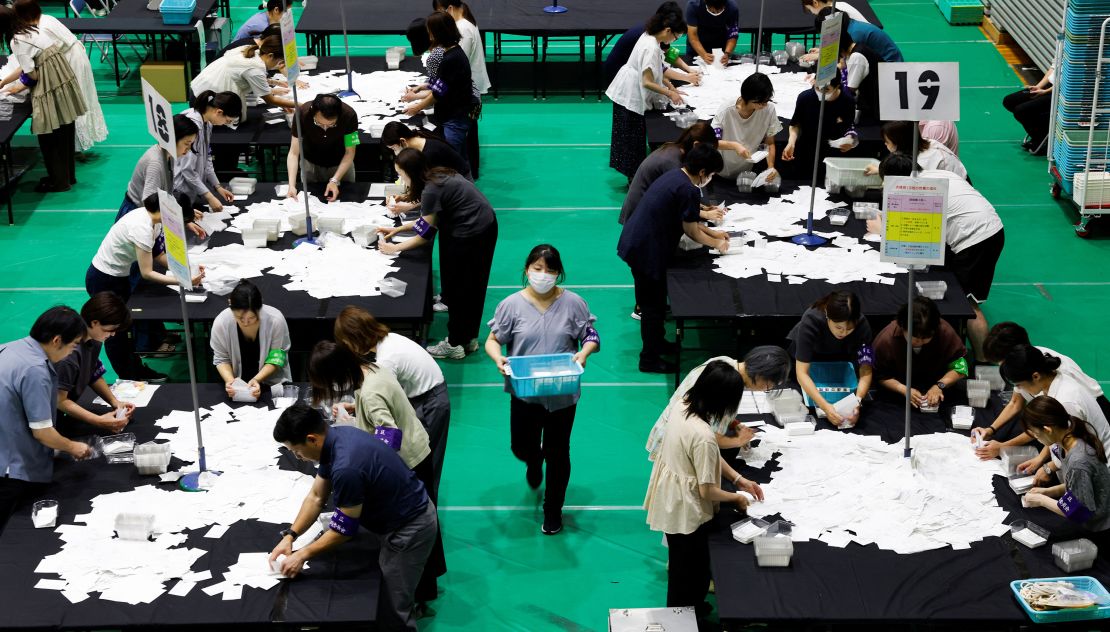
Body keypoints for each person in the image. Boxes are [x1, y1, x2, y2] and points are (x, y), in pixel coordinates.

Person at [269, 404, 437, 632]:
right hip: (398, 514)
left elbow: (343, 530)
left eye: (296, 451)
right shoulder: (337, 437)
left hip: (408, 529)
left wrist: (301, 555)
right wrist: (290, 535)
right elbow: (317, 496)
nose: (298, 457)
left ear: (312, 439)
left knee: (393, 604)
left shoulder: (346, 466)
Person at [307, 341, 446, 602]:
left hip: (410, 459)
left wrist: (365, 463)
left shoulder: (370, 393)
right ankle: (426, 587)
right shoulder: (371, 369)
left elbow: (389, 436)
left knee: (419, 533)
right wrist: (356, 411)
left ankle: (421, 593)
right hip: (417, 445)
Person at [484, 245, 601, 534]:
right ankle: (533, 460)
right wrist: (497, 357)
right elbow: (492, 340)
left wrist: (584, 353)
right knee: (521, 446)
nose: (543, 275)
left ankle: (553, 510)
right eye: (537, 269)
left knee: (558, 453)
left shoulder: (574, 303)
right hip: (525, 393)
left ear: (559, 273)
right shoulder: (511, 305)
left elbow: (591, 335)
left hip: (562, 394)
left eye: (550, 270)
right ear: (527, 270)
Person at [644, 360, 764, 621]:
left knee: (689, 567)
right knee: (685, 572)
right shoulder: (704, 436)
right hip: (686, 508)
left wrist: (738, 478)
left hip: (671, 496)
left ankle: (694, 608)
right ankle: (681, 619)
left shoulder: (684, 406)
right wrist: (737, 498)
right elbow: (707, 490)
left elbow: (705, 457)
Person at [876, 153, 1004, 361]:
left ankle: (983, 361)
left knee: (967, 303)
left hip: (974, 239)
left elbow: (914, 237)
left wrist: (881, 229)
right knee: (967, 297)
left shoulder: (916, 191)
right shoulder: (938, 174)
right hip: (993, 228)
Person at [617, 144, 728, 373]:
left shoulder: (676, 176)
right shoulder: (688, 189)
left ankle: (658, 344)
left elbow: (690, 218)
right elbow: (691, 230)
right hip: (646, 251)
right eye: (712, 174)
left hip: (638, 243)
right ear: (702, 171)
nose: (710, 178)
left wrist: (715, 234)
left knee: (654, 304)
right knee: (653, 307)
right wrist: (717, 244)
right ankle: (649, 359)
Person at [378, 149, 498, 360]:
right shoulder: (437, 174)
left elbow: (425, 235)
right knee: (469, 287)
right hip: (481, 224)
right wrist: (398, 230)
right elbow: (428, 219)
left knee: (464, 289)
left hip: (473, 231)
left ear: (411, 172)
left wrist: (393, 248)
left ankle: (454, 343)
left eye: (401, 174)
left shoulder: (431, 190)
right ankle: (467, 338)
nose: (400, 179)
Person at [333, 306, 451, 506]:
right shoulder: (390, 339)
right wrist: (356, 405)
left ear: (357, 338)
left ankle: (427, 513)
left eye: (347, 343)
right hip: (422, 397)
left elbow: (387, 423)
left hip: (430, 403)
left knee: (424, 464)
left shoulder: (387, 359)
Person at [86, 193, 205, 379]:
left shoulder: (153, 221)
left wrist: (186, 270)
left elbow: (158, 255)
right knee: (114, 333)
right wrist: (183, 280)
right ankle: (130, 377)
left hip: (118, 277)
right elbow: (147, 272)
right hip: (104, 279)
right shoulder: (141, 227)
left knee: (124, 328)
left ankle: (135, 368)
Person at [0, 306, 92, 534]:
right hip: (10, 468)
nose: (72, 352)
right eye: (72, 346)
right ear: (56, 340)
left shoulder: (10, 348)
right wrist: (73, 447)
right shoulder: (35, 370)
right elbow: (42, 432)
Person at [973, 346, 1110, 468]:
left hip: (1097, 466)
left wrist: (1048, 469)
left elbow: (1076, 450)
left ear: (1036, 376)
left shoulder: (1066, 402)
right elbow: (1052, 434)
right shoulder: (1049, 383)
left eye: (1019, 385)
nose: (1018, 389)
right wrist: (1042, 460)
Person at [647, 346, 791, 458]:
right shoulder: (729, 385)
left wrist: (734, 423)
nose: (767, 388)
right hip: (677, 443)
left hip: (672, 427)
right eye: (769, 385)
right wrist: (738, 441)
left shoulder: (725, 362)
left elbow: (707, 409)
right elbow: (710, 438)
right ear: (760, 375)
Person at [0, 6, 85, 193]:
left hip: (49, 82)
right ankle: (67, 176)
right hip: (60, 76)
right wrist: (5, 81)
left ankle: (58, 182)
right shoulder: (29, 30)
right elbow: (26, 65)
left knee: (48, 132)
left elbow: (32, 75)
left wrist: (18, 86)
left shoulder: (16, 41)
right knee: (64, 129)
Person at [8, 0, 106, 153]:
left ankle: (77, 146)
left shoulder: (39, 29)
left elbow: (29, 66)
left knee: (72, 102)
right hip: (75, 55)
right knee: (82, 99)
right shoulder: (46, 18)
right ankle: (78, 144)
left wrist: (15, 83)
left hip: (70, 61)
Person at [606, 10, 687, 180]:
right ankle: (635, 180)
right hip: (631, 94)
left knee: (630, 140)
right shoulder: (651, 47)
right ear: (667, 30)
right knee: (632, 142)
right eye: (676, 37)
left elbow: (658, 68)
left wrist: (670, 86)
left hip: (628, 89)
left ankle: (634, 177)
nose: (674, 41)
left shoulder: (649, 36)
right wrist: (670, 94)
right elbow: (647, 82)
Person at [402, 16, 483, 177]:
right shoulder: (451, 53)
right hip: (454, 114)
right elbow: (440, 86)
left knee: (452, 160)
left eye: (431, 31)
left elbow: (438, 93)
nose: (429, 35)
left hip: (457, 117)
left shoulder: (450, 59)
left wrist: (417, 107)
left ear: (438, 33)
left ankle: (461, 193)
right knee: (460, 158)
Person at [1021, 396, 1110, 535]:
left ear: (1048, 429)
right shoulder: (1067, 442)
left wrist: (1042, 500)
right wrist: (1048, 491)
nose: (1037, 439)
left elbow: (1080, 512)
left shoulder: (1078, 461)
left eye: (1037, 435)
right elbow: (1079, 486)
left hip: (1100, 528)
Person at [983, 321, 1108, 418]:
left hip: (1095, 414)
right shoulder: (1023, 363)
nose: (1000, 366)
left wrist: (1001, 445)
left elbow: (1051, 432)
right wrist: (990, 430)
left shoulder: (1059, 383)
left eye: (1001, 362)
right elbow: (1016, 402)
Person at [787, 291, 873, 426]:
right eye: (838, 327)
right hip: (810, 360)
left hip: (839, 362)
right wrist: (826, 407)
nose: (843, 333)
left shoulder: (862, 326)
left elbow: (866, 370)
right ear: (827, 315)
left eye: (849, 329)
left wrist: (857, 401)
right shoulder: (811, 320)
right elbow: (802, 373)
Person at [55, 293, 134, 433]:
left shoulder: (93, 340)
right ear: (95, 322)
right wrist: (99, 421)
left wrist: (115, 402)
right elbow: (59, 401)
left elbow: (93, 373)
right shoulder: (68, 355)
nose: (113, 334)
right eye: (110, 329)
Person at [872, 296, 968, 408]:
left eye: (926, 338)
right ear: (902, 326)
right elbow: (880, 376)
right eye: (915, 337)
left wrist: (940, 385)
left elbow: (961, 368)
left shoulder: (945, 332)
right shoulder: (885, 341)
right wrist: (903, 389)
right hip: (897, 398)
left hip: (938, 394)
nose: (920, 342)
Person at [620, 121, 720, 225]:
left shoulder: (676, 149)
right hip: (640, 214)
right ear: (696, 145)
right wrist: (705, 214)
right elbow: (677, 203)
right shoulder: (672, 162)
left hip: (648, 207)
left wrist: (703, 207)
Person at [211, 280, 291, 399]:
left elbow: (277, 357)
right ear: (230, 305)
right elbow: (221, 359)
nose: (246, 323)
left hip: (270, 384)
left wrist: (257, 379)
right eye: (240, 318)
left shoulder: (275, 321)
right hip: (237, 388)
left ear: (260, 307)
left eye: (252, 318)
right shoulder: (221, 323)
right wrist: (231, 383)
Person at [780, 74, 858, 181]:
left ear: (837, 86)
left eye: (826, 89)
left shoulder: (847, 101)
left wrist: (850, 141)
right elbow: (795, 124)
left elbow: (849, 126)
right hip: (807, 149)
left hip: (833, 154)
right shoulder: (805, 98)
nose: (821, 92)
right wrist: (791, 142)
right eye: (817, 87)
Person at [603, 2, 702, 86]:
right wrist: (686, 78)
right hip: (618, 71)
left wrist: (689, 69)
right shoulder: (648, 37)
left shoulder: (660, 32)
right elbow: (660, 69)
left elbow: (669, 53)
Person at [190, 36, 296, 115]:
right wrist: (303, 105)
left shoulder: (253, 51)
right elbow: (270, 100)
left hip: (201, 87)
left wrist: (273, 83)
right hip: (203, 99)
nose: (280, 65)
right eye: (281, 61)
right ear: (270, 56)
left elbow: (244, 74)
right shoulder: (255, 68)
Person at [175, 91, 242, 213]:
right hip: (179, 190)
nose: (226, 124)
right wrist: (209, 196)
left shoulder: (207, 123)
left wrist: (217, 186)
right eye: (227, 121)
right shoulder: (193, 126)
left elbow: (207, 157)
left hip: (191, 189)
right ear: (219, 112)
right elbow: (187, 169)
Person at [286, 93, 359, 202]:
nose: (325, 128)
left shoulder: (349, 115)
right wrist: (291, 185)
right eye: (319, 123)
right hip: (310, 163)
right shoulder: (302, 113)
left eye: (331, 124)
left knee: (344, 200)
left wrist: (335, 180)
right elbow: (293, 153)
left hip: (340, 163)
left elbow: (350, 152)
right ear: (313, 113)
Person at [711, 72, 781, 180]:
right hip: (721, 170)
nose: (764, 105)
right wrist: (735, 146)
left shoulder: (769, 109)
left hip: (747, 171)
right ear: (746, 98)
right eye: (760, 103)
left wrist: (770, 167)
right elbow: (713, 142)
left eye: (766, 101)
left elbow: (770, 142)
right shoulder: (726, 111)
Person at [864, 120, 967, 179]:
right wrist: (879, 170)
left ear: (899, 143)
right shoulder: (926, 143)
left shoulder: (924, 163)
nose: (885, 144)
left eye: (887, 141)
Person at [432, 0, 490, 95]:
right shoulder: (463, 23)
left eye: (441, 11)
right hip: (465, 85)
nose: (440, 16)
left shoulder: (462, 29)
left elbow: (458, 64)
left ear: (450, 8)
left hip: (467, 88)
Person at [382, 122, 471, 181]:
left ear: (403, 141)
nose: (395, 153)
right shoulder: (419, 139)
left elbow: (434, 188)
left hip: (462, 182)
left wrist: (409, 204)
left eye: (394, 148)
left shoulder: (430, 153)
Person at [810, 6, 902, 62]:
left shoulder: (854, 34)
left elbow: (846, 61)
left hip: (890, 66)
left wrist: (820, 56)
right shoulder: (849, 24)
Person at [1003, 66, 1053, 154]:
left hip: (1061, 93)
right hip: (1049, 87)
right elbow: (1053, 67)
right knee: (1009, 101)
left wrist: (1046, 92)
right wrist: (1038, 87)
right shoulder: (1061, 51)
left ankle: (1040, 139)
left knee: (1021, 111)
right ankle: (1040, 132)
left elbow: (1068, 82)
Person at [799, 0, 869, 24]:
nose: (812, 13)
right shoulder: (842, 4)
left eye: (810, 9)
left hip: (868, 51)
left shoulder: (832, 13)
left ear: (815, 3)